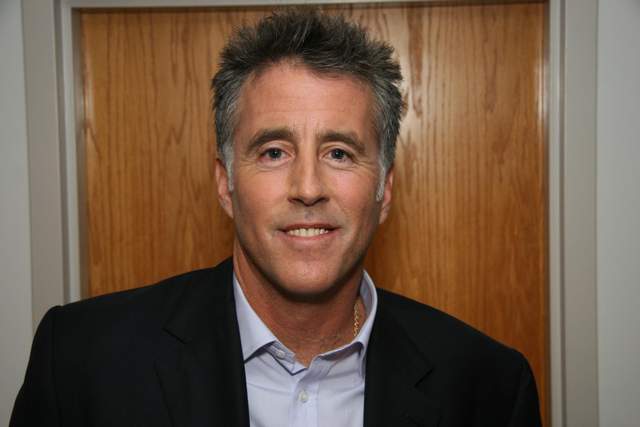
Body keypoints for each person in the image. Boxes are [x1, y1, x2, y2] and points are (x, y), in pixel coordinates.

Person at [10, 9, 541, 427]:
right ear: (226, 183)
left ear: (384, 189)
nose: (308, 188)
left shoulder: (488, 386)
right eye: (273, 152)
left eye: (339, 153)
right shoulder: (81, 362)